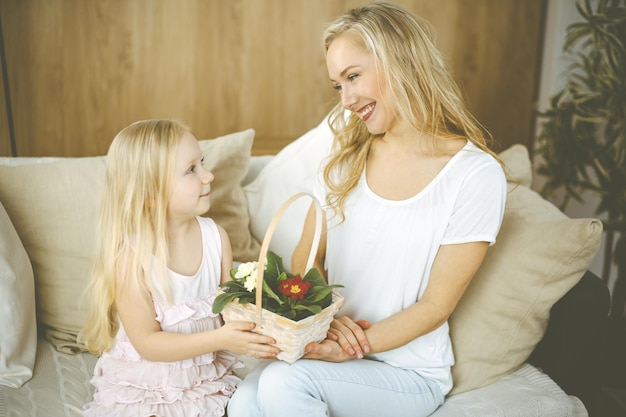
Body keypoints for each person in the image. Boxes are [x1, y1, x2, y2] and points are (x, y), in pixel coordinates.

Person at [227, 2, 507, 417]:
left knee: (284, 382)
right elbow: (309, 258)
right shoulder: (345, 158)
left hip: (408, 373)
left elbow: (435, 306)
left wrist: (351, 345)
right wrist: (325, 321)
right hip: (328, 346)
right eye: (338, 86)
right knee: (247, 398)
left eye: (353, 77)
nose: (347, 101)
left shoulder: (475, 175)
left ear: (401, 61)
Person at [79, 119, 279, 417]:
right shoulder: (132, 258)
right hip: (149, 389)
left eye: (202, 163)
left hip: (205, 380)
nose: (208, 175)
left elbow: (230, 309)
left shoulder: (215, 238)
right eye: (191, 170)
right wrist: (221, 339)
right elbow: (148, 344)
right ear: (149, 194)